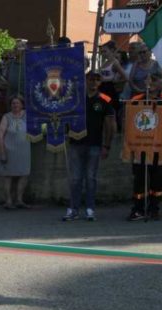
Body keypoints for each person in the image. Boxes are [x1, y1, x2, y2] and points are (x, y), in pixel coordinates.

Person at [62, 71, 116, 222]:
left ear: (100, 83)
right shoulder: (76, 98)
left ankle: (90, 209)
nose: (94, 82)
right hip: (76, 142)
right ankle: (73, 208)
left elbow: (110, 125)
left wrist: (107, 145)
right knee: (75, 178)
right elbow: (65, 116)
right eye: (91, 79)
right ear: (86, 80)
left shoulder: (105, 100)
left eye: (97, 80)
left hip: (95, 144)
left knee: (91, 178)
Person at [127, 75, 162, 221]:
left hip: (160, 147)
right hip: (141, 146)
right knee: (140, 179)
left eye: (155, 80)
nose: (152, 83)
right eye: (149, 80)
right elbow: (129, 120)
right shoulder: (136, 100)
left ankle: (154, 209)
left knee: (158, 180)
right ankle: (138, 209)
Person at [0, 95, 31, 209]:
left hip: (24, 151)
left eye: (17, 103)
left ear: (22, 104)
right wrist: (2, 152)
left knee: (23, 174)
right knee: (8, 176)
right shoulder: (7, 117)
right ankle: (9, 201)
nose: (15, 105)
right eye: (13, 103)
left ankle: (19, 200)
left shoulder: (27, 115)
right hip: (9, 150)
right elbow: (0, 135)